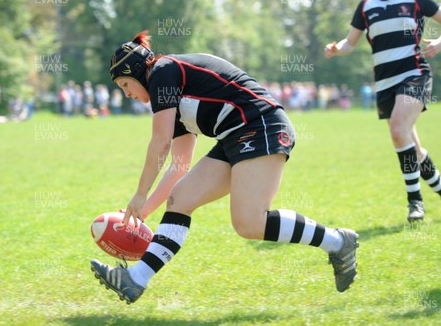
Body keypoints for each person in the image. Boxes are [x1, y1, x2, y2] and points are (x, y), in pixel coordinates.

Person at [90, 30, 359, 304]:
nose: (127, 94)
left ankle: (339, 243)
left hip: (261, 125)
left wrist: (139, 193)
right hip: (236, 134)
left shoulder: (162, 71)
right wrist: (143, 211)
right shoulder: (166, 90)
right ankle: (135, 280)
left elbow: (160, 143)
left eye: (125, 84)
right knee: (180, 199)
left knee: (249, 222)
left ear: (138, 72)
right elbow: (179, 163)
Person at [325, 0, 441, 223]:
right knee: (410, 144)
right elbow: (350, 42)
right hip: (385, 82)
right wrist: (336, 48)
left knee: (399, 131)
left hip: (414, 73)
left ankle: (415, 202)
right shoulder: (366, 6)